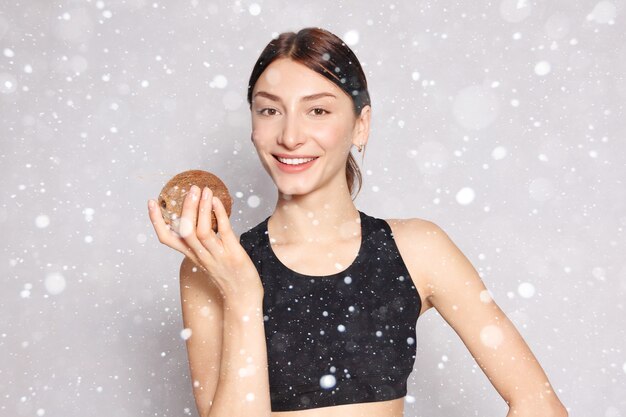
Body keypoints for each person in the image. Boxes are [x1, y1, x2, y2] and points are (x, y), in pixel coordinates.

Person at [147, 27, 568, 417]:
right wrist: (241, 294)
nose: (290, 136)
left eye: (317, 111)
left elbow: (538, 402)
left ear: (360, 125)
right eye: (270, 110)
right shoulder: (210, 268)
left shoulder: (418, 248)